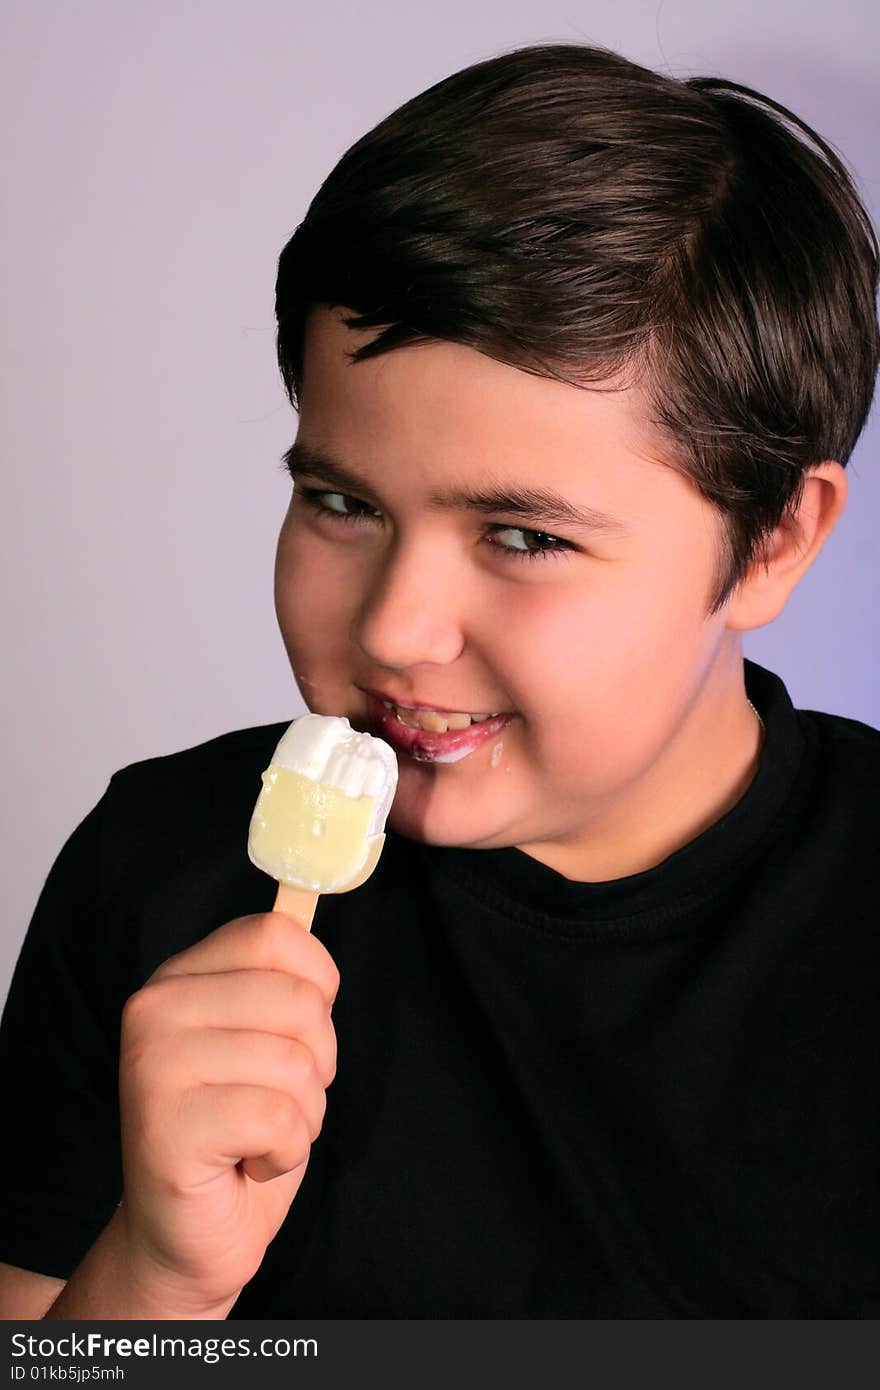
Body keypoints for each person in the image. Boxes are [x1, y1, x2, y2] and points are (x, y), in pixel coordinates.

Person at [1, 40, 878, 1320]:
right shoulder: (156, 871)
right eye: (342, 501)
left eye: (525, 537)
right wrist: (156, 1273)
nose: (399, 630)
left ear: (773, 541)